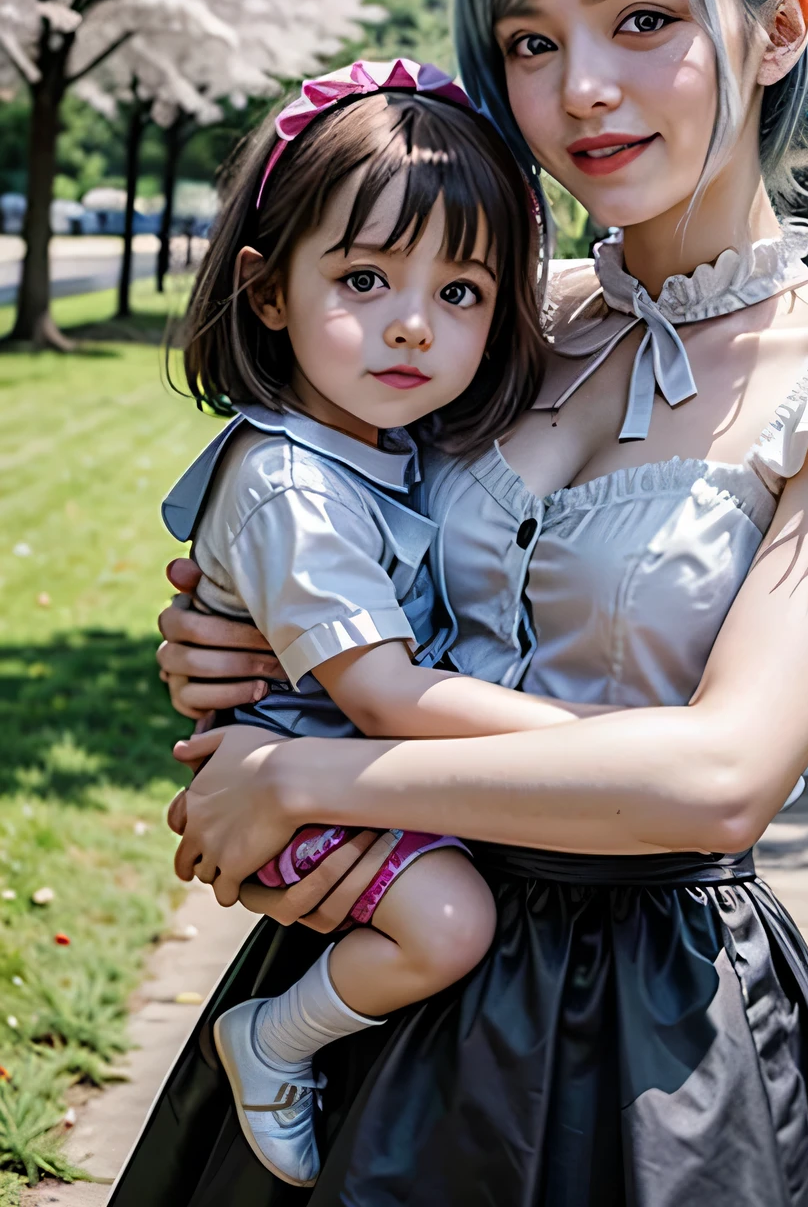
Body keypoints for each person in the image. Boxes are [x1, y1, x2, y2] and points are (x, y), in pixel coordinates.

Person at [117, 0, 808, 1206]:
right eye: (530, 42)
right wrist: (227, 647)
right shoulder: (484, 312)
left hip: (646, 1036)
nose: (581, 89)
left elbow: (719, 780)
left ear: (778, 27)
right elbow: (317, 534)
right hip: (373, 961)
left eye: (644, 20)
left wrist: (303, 775)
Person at [160, 57, 623, 1187]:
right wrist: (593, 743)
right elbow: (380, 696)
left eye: (459, 294)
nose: (412, 328)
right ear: (268, 293)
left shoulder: (379, 441)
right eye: (363, 281)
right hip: (308, 772)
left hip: (349, 763)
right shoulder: (292, 485)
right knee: (452, 923)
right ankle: (276, 1039)